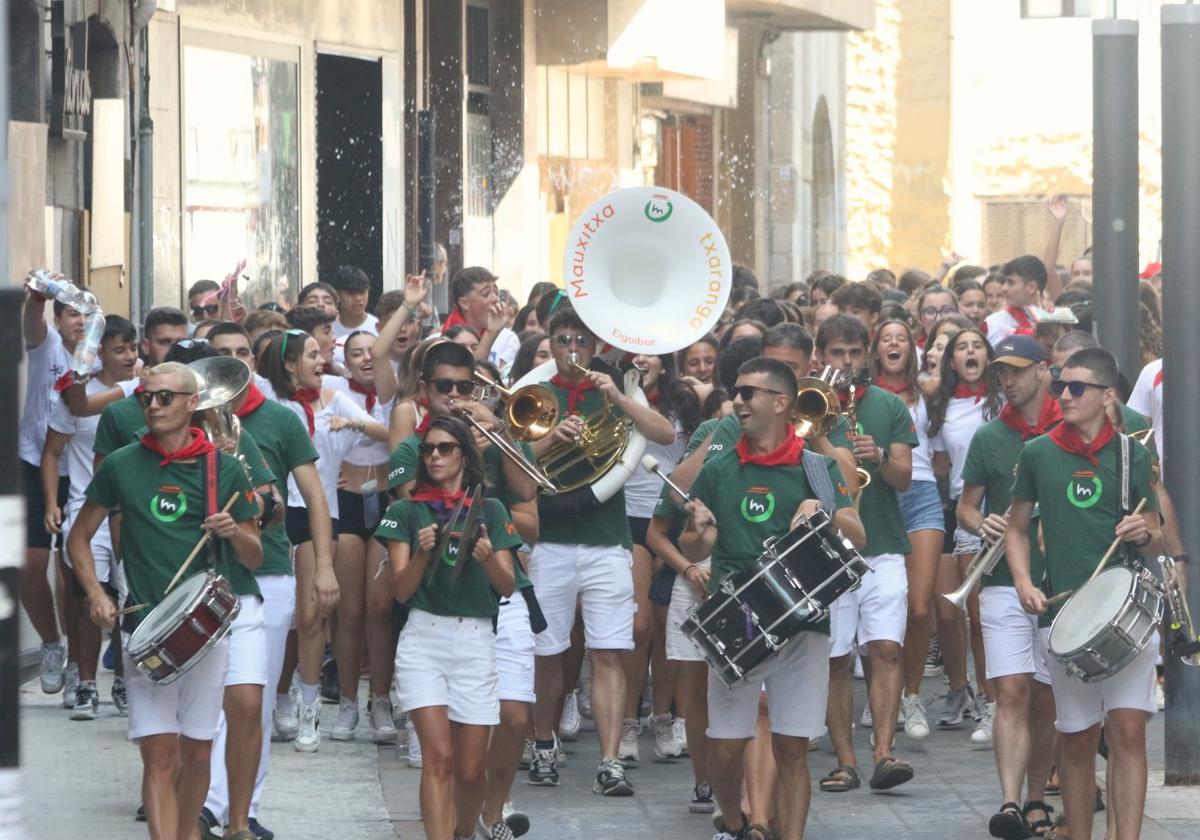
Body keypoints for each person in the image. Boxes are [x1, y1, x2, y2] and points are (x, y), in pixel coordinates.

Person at [67, 362, 262, 840]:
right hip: (144, 630)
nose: (153, 406)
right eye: (146, 398)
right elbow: (78, 538)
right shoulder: (121, 464)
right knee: (159, 754)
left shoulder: (225, 467)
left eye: (165, 398)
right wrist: (96, 593)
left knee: (197, 754)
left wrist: (234, 531)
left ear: (192, 403)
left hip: (205, 631)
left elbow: (254, 556)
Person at [680, 357, 865, 840]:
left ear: (781, 403)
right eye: (736, 392)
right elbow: (691, 545)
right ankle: (736, 821)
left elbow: (858, 534)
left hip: (802, 622)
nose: (737, 401)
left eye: (748, 393)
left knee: (792, 748)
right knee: (724, 749)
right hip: (736, 623)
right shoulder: (719, 468)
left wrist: (823, 509)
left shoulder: (817, 466)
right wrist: (698, 536)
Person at [1006, 347, 1162, 840]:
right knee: (1075, 737)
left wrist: (1144, 529)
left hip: (1127, 613)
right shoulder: (1037, 453)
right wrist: (1025, 583)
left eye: (1077, 388)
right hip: (1065, 615)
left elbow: (1158, 530)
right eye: (1060, 386)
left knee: (1128, 733)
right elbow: (1015, 528)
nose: (1065, 395)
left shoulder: (1134, 453)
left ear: (1108, 396)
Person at [525, 304, 675, 796]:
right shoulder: (534, 392)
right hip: (550, 539)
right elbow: (510, 461)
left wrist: (619, 393)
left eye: (581, 341)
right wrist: (549, 439)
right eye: (563, 340)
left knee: (609, 652)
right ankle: (542, 743)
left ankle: (609, 761)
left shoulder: (615, 388)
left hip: (607, 540)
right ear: (550, 343)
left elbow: (664, 433)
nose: (572, 349)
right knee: (548, 652)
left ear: (596, 346)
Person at [203, 323, 333, 840]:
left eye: (242, 353)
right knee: (207, 699)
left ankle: (241, 808)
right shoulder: (184, 419)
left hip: (269, 571)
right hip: (200, 574)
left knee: (248, 702)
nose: (233, 363)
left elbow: (314, 497)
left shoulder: (279, 418)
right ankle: (205, 800)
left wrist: (323, 566)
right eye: (221, 355)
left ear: (253, 364)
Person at [377, 416, 521, 840]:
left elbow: (508, 584)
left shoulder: (491, 510)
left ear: (464, 455)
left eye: (445, 448)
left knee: (472, 769)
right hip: (424, 637)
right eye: (429, 449)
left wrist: (488, 557)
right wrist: (422, 555)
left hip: (475, 639)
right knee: (437, 757)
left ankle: (462, 832)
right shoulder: (406, 510)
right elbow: (400, 592)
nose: (435, 456)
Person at [258, 329, 387, 751]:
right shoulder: (269, 404)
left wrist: (356, 423)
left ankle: (310, 707)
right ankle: (280, 697)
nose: (323, 361)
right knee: (283, 618)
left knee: (313, 616)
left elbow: (386, 433)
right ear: (290, 363)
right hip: (276, 515)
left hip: (321, 513)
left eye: (322, 353)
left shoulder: (334, 397)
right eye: (313, 355)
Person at [957, 334, 1060, 839]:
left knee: (1045, 696)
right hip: (1000, 580)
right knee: (1012, 689)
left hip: (1061, 584)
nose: (1009, 380)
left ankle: (1038, 798)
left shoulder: (1071, 428)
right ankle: (1009, 803)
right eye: (1003, 372)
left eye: (1018, 370)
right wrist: (983, 526)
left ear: (1044, 370)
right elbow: (966, 507)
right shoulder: (990, 437)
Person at [814, 315, 917, 794]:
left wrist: (878, 457)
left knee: (887, 650)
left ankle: (882, 752)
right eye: (838, 353)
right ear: (822, 357)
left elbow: (902, 478)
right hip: (826, 551)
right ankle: (845, 759)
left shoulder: (889, 406)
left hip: (883, 547)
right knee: (835, 658)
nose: (848, 362)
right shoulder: (807, 407)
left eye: (855, 353)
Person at [40, 315, 139, 719]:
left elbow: (82, 403)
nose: (130, 356)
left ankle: (123, 680)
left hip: (134, 511)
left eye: (133, 348)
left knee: (126, 597)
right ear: (99, 353)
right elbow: (51, 452)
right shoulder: (78, 392)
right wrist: (51, 503)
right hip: (88, 508)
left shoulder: (145, 389)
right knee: (87, 601)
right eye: (120, 350)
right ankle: (84, 684)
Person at [616, 351, 701, 764]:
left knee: (670, 623)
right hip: (627, 519)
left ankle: (663, 715)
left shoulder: (683, 402)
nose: (639, 357)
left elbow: (675, 444)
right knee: (639, 626)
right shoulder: (614, 396)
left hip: (669, 520)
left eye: (649, 352)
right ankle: (628, 720)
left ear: (665, 362)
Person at [869, 319, 943, 741]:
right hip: (879, 494)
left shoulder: (929, 392)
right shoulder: (859, 397)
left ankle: (910, 696)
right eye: (885, 339)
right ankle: (884, 694)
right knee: (881, 611)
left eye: (901, 339)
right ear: (875, 349)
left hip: (921, 494)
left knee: (919, 608)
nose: (893, 345)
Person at [927, 325, 1002, 740]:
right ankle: (986, 702)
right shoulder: (942, 407)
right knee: (968, 614)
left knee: (986, 616)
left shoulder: (1003, 399)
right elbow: (942, 466)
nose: (970, 352)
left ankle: (998, 702)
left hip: (1005, 507)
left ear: (988, 356)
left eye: (977, 346)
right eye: (962, 348)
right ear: (951, 361)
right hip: (967, 511)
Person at [325, 330, 398, 744]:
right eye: (357, 353)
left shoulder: (391, 392)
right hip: (347, 501)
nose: (367, 358)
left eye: (372, 351)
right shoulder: (333, 389)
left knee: (381, 608)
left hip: (387, 501)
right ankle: (349, 702)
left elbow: (392, 435)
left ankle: (382, 700)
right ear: (345, 361)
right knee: (348, 611)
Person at [19, 284, 85, 699]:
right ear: (59, 320)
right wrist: (38, 297)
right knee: (28, 562)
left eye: (85, 314)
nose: (79, 320)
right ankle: (50, 642)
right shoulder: (47, 349)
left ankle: (81, 666)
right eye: (71, 314)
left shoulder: (102, 359)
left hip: (78, 469)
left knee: (75, 570)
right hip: (33, 460)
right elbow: (31, 322)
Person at [440, 267, 521, 371]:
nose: (495, 299)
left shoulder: (507, 338)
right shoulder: (444, 340)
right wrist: (490, 334)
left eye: (496, 293)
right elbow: (471, 377)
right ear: (464, 303)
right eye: (486, 294)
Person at [985, 256, 1047, 348]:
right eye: (1005, 282)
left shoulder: (1056, 322)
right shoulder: (994, 323)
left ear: (1031, 287)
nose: (1003, 288)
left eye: (1010, 283)